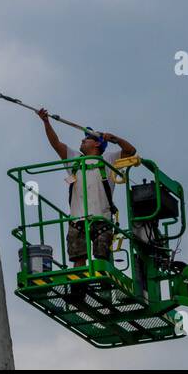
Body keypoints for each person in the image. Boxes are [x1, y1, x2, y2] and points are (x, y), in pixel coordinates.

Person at [37, 108, 136, 268]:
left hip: (101, 219)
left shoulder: (109, 159)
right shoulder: (74, 159)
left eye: (87, 139)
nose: (82, 141)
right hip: (77, 219)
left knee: (101, 260)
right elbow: (56, 143)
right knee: (78, 260)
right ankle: (79, 291)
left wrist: (115, 139)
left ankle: (101, 286)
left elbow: (130, 151)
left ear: (97, 143)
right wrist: (46, 122)